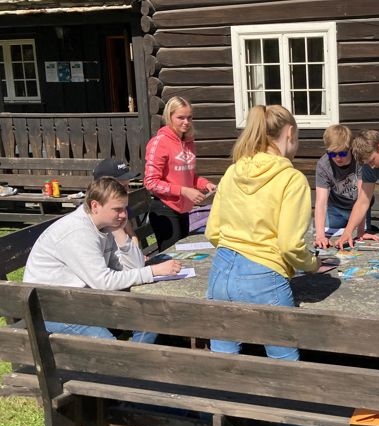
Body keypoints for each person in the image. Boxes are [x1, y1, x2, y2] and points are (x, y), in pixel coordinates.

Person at [205, 105, 318, 360]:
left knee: (223, 361)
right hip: (264, 274)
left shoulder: (232, 171)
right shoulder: (292, 179)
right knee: (283, 362)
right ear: (290, 133)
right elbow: (289, 245)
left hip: (221, 271)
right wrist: (312, 264)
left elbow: (212, 231)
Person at [23, 177, 182, 341]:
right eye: (117, 209)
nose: (123, 215)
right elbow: (103, 282)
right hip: (52, 309)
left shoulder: (104, 225)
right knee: (109, 348)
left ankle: (135, 356)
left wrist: (120, 232)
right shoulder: (78, 232)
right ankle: (131, 357)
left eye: (124, 208)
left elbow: (134, 267)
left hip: (82, 300)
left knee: (150, 318)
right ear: (95, 206)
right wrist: (153, 271)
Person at [144, 96, 216, 251]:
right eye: (180, 118)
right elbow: (150, 182)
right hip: (165, 209)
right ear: (169, 117)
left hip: (184, 209)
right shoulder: (159, 142)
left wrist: (205, 184)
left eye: (189, 117)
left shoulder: (189, 142)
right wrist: (184, 191)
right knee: (174, 257)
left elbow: (188, 176)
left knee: (185, 256)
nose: (186, 122)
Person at [313, 124, 370, 248]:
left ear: (350, 148)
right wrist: (320, 236)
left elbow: (362, 198)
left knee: (359, 242)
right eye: (332, 154)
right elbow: (321, 203)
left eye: (342, 153)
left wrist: (360, 232)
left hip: (358, 209)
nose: (338, 158)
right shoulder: (323, 164)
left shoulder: (359, 160)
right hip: (335, 209)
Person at [93, 158, 144, 268]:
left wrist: (136, 255)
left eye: (128, 186)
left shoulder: (121, 208)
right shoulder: (94, 218)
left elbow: (132, 235)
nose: (128, 191)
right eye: (123, 187)